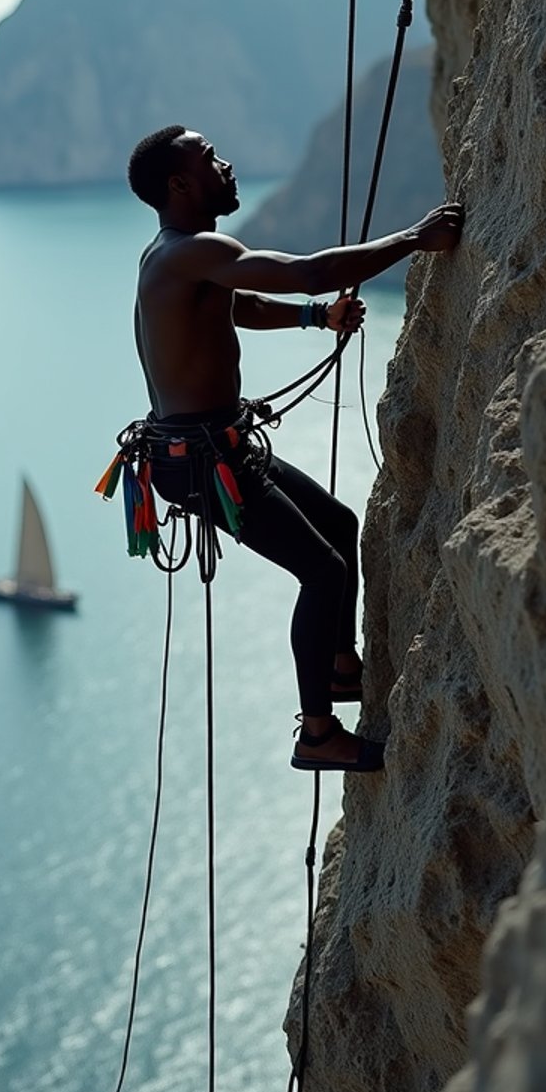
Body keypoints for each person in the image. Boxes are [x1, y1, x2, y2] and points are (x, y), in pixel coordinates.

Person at [126, 124, 464, 771]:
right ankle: (317, 734)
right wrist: (413, 239)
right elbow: (305, 272)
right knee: (324, 569)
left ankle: (338, 667)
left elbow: (238, 304)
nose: (226, 165)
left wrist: (316, 317)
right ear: (179, 183)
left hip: (210, 451)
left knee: (338, 526)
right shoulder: (188, 252)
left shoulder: (176, 256)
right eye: (209, 159)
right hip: (204, 464)